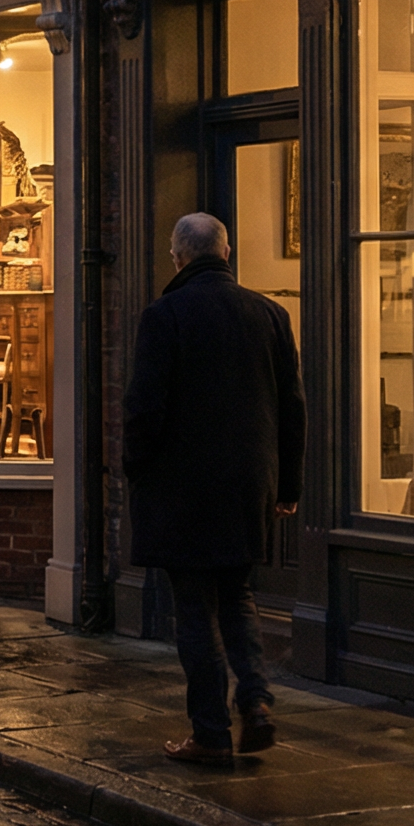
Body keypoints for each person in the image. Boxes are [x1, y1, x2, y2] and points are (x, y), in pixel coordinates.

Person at [124, 212, 306, 765]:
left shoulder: (165, 316)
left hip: (184, 487)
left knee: (194, 610)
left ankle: (209, 732)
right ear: (226, 254)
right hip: (249, 483)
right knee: (238, 594)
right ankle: (255, 702)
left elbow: (144, 409)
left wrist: (136, 468)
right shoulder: (271, 315)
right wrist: (288, 483)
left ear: (178, 257)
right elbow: (292, 408)